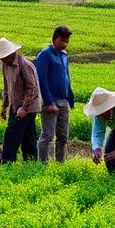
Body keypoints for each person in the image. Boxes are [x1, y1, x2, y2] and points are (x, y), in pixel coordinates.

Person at [0, 37, 42, 163]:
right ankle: (31, 162)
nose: (2, 59)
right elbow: (6, 87)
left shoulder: (24, 64)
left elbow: (31, 87)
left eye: (4, 56)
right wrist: (4, 106)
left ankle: (6, 161)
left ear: (11, 53)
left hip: (28, 105)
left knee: (11, 133)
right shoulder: (5, 65)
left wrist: (24, 108)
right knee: (28, 136)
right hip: (15, 104)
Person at [35, 25, 75, 163]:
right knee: (48, 135)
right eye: (62, 41)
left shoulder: (64, 55)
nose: (65, 44)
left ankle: (60, 163)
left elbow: (66, 76)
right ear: (55, 39)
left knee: (63, 136)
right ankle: (42, 163)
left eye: (67, 41)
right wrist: (49, 102)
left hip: (63, 101)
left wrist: (70, 97)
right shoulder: (45, 54)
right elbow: (42, 79)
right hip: (50, 101)